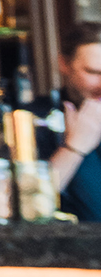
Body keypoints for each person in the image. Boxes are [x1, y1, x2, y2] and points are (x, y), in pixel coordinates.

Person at [47, 22, 101, 221]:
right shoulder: (34, 118)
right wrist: (74, 147)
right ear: (64, 64)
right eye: (93, 72)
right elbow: (30, 203)